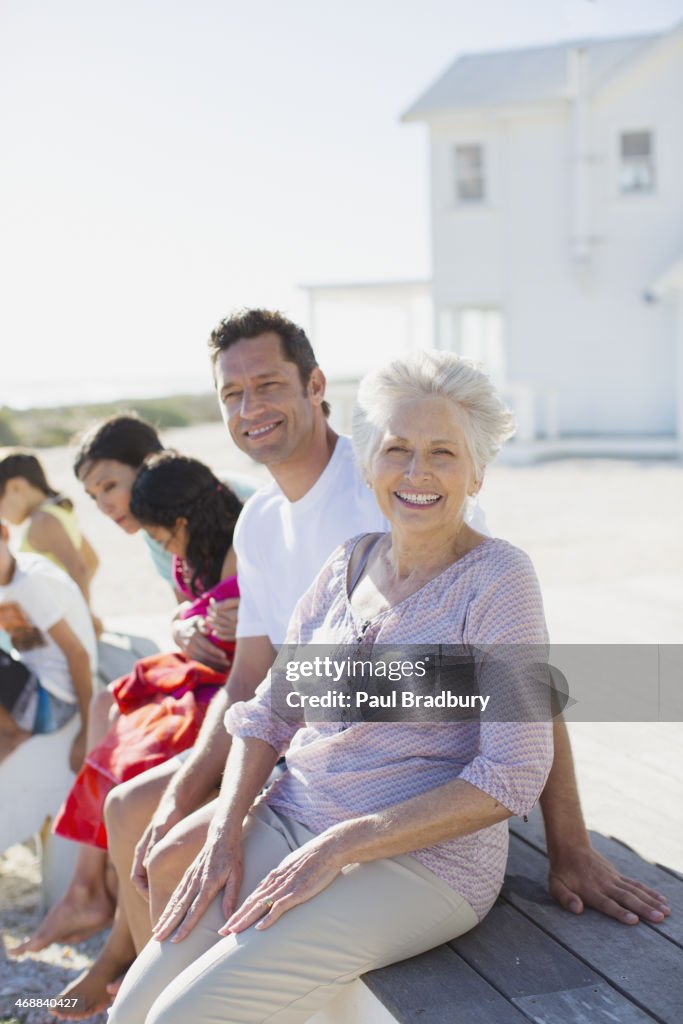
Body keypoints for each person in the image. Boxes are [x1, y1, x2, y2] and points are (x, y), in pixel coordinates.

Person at [107, 349, 556, 1023]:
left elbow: (514, 773)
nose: (415, 472)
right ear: (369, 462)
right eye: (396, 449)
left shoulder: (499, 580)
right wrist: (228, 826)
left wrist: (346, 842)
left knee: (181, 1018)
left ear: (478, 470)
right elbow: (269, 714)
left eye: (443, 452)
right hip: (293, 816)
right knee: (131, 1012)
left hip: (423, 864)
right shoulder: (346, 563)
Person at [8, 455, 242, 1018]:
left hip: (237, 686)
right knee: (109, 707)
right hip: (207, 672)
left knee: (134, 752)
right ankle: (89, 892)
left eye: (109, 487)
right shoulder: (194, 546)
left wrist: (198, 625)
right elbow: (190, 613)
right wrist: (187, 624)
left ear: (181, 522)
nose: (162, 547)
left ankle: (109, 936)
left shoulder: (241, 542)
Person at [0, 520, 96, 774]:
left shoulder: (30, 583)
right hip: (36, 685)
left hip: (54, 703)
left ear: (4, 532)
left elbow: (78, 654)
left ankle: (10, 735)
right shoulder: (13, 573)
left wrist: (88, 731)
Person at [0, 452, 100, 629]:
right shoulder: (58, 511)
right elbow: (91, 560)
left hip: (51, 623)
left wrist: (82, 618)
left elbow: (79, 568)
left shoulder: (43, 522)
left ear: (17, 486)